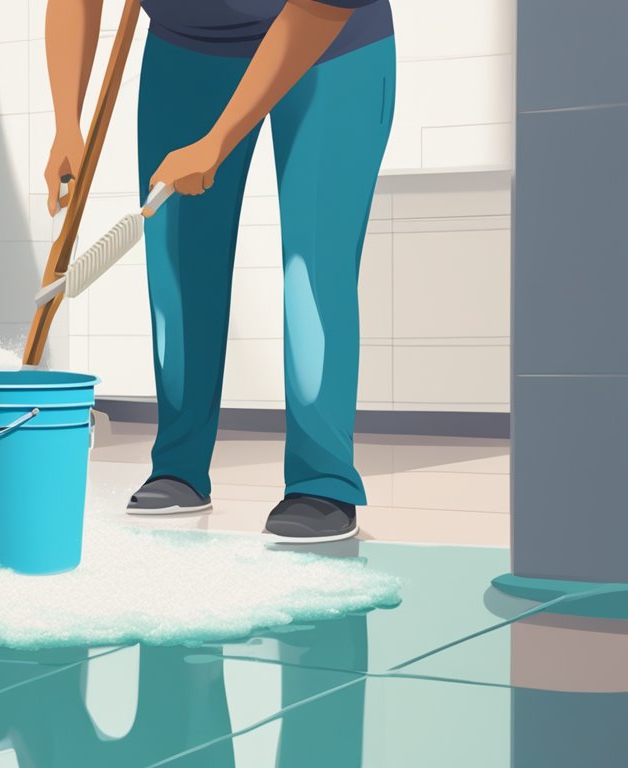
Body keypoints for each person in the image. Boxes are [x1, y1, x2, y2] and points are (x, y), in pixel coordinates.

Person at [44, 0, 395, 542]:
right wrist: (67, 122)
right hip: (187, 51)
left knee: (314, 267)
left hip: (330, 43)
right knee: (180, 262)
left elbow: (321, 8)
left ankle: (322, 480)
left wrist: (218, 140)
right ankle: (179, 465)